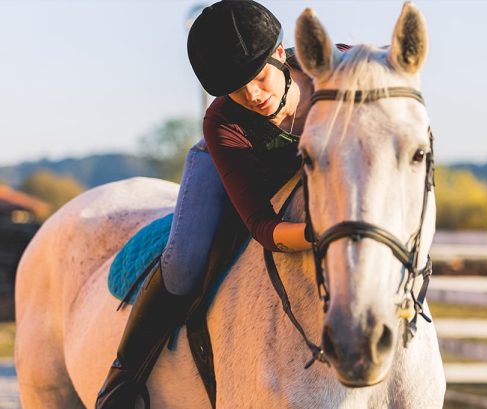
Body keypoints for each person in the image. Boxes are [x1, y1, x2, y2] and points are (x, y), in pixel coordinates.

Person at [95, 1, 349, 407]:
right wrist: (315, 234)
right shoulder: (224, 120)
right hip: (226, 162)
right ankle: (123, 378)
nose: (252, 95)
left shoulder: (337, 71)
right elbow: (262, 226)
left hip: (302, 167)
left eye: (259, 77)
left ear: (280, 54)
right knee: (183, 266)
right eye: (235, 88)